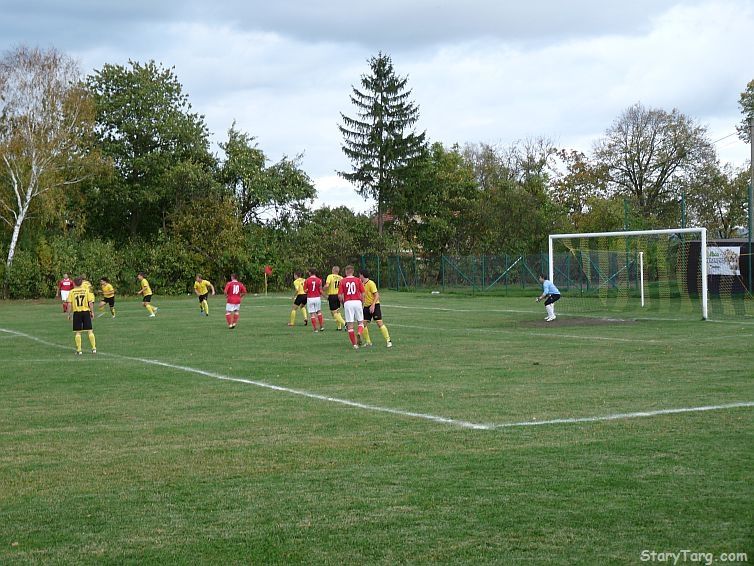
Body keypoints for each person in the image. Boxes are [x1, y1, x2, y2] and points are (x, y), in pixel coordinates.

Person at [359, 269, 392, 348]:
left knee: (379, 323)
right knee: (363, 324)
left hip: (375, 305)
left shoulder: (371, 283)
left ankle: (388, 341)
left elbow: (377, 295)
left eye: (359, 275)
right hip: (366, 307)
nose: (359, 276)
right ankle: (368, 342)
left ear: (362, 275)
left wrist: (373, 305)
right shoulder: (361, 284)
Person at [338, 265, 366, 350]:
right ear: (353, 272)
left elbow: (340, 296)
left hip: (348, 303)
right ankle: (359, 332)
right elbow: (363, 293)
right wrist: (362, 302)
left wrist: (343, 303)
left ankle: (354, 345)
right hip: (357, 302)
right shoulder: (358, 280)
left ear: (346, 272)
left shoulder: (342, 281)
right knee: (361, 322)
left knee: (350, 325)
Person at [68, 276, 96, 355]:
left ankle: (79, 350)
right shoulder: (86, 291)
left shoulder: (71, 292)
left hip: (77, 313)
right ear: (81, 283)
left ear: (74, 283)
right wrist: (92, 312)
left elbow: (69, 304)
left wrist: (69, 314)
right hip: (86, 312)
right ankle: (94, 348)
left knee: (78, 332)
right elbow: (90, 302)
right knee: (90, 331)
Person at [325, 266, 346, 331]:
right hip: (339, 295)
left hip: (332, 296)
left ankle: (345, 324)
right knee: (337, 311)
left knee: (333, 312)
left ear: (333, 270)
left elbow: (327, 285)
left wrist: (323, 289)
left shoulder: (330, 276)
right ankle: (339, 327)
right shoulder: (341, 278)